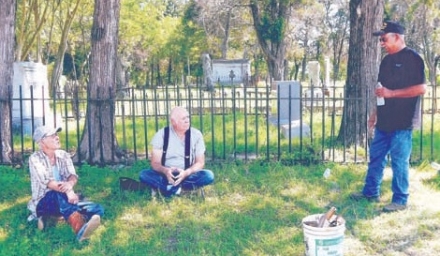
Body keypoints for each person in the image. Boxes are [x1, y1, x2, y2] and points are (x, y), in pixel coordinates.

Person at [351, 21, 426, 212]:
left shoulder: (413, 59)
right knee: (376, 157)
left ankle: (400, 200)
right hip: (383, 121)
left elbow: (421, 88)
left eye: (384, 38)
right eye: (380, 39)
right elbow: (380, 91)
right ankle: (370, 192)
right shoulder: (385, 61)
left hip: (403, 122)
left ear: (397, 37)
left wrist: (391, 93)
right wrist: (374, 114)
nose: (381, 43)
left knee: (399, 161)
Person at [27, 125, 104, 241]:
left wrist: (70, 185)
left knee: (97, 209)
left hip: (64, 198)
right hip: (44, 202)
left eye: (56, 135)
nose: (57, 137)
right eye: (52, 136)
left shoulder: (63, 155)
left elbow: (72, 175)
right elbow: (49, 183)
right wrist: (69, 191)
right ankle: (80, 230)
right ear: (42, 142)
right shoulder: (35, 159)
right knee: (57, 195)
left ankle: (53, 219)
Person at [139, 106, 214, 197]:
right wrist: (166, 171)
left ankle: (166, 189)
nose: (187, 120)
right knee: (144, 174)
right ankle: (180, 190)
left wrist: (186, 173)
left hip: (187, 174)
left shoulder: (196, 135)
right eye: (183, 118)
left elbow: (200, 162)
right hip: (165, 175)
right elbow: (155, 163)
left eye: (187, 117)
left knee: (208, 175)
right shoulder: (162, 134)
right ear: (173, 122)